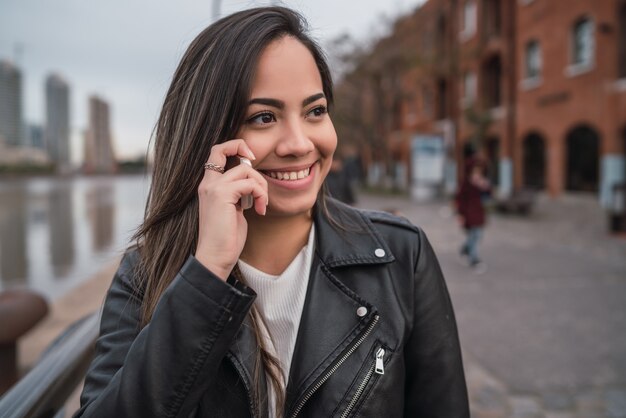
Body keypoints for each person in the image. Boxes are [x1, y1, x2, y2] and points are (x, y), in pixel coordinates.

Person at [75, 7, 469, 417]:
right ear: (206, 137)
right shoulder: (146, 272)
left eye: (315, 111)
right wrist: (207, 273)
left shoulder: (401, 257)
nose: (299, 143)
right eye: (264, 117)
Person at [456, 142, 491, 271]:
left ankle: (465, 249)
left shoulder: (482, 182)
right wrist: (460, 214)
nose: (477, 174)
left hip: (479, 213)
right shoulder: (466, 183)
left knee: (477, 235)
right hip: (468, 214)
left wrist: (484, 187)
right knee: (474, 235)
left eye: (479, 171)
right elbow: (460, 198)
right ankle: (474, 259)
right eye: (475, 171)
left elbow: (488, 197)